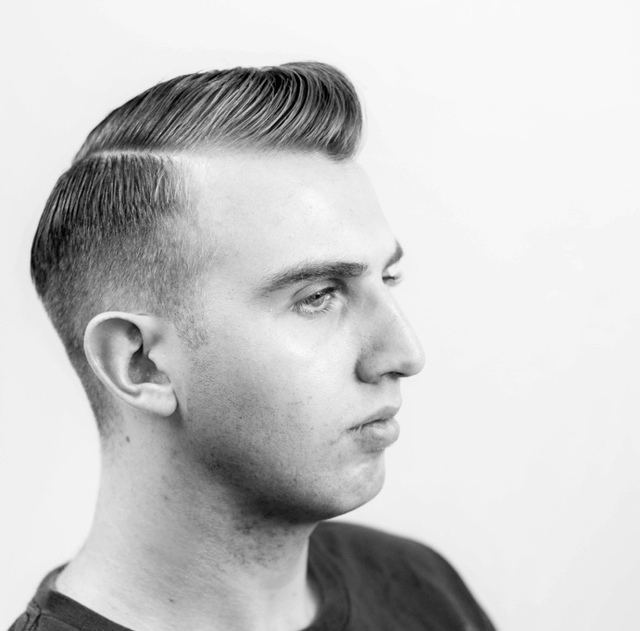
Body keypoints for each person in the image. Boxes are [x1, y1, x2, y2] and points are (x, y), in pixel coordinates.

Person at [10, 62, 496, 631]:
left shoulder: (419, 585)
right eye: (317, 296)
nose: (404, 355)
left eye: (387, 279)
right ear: (140, 364)